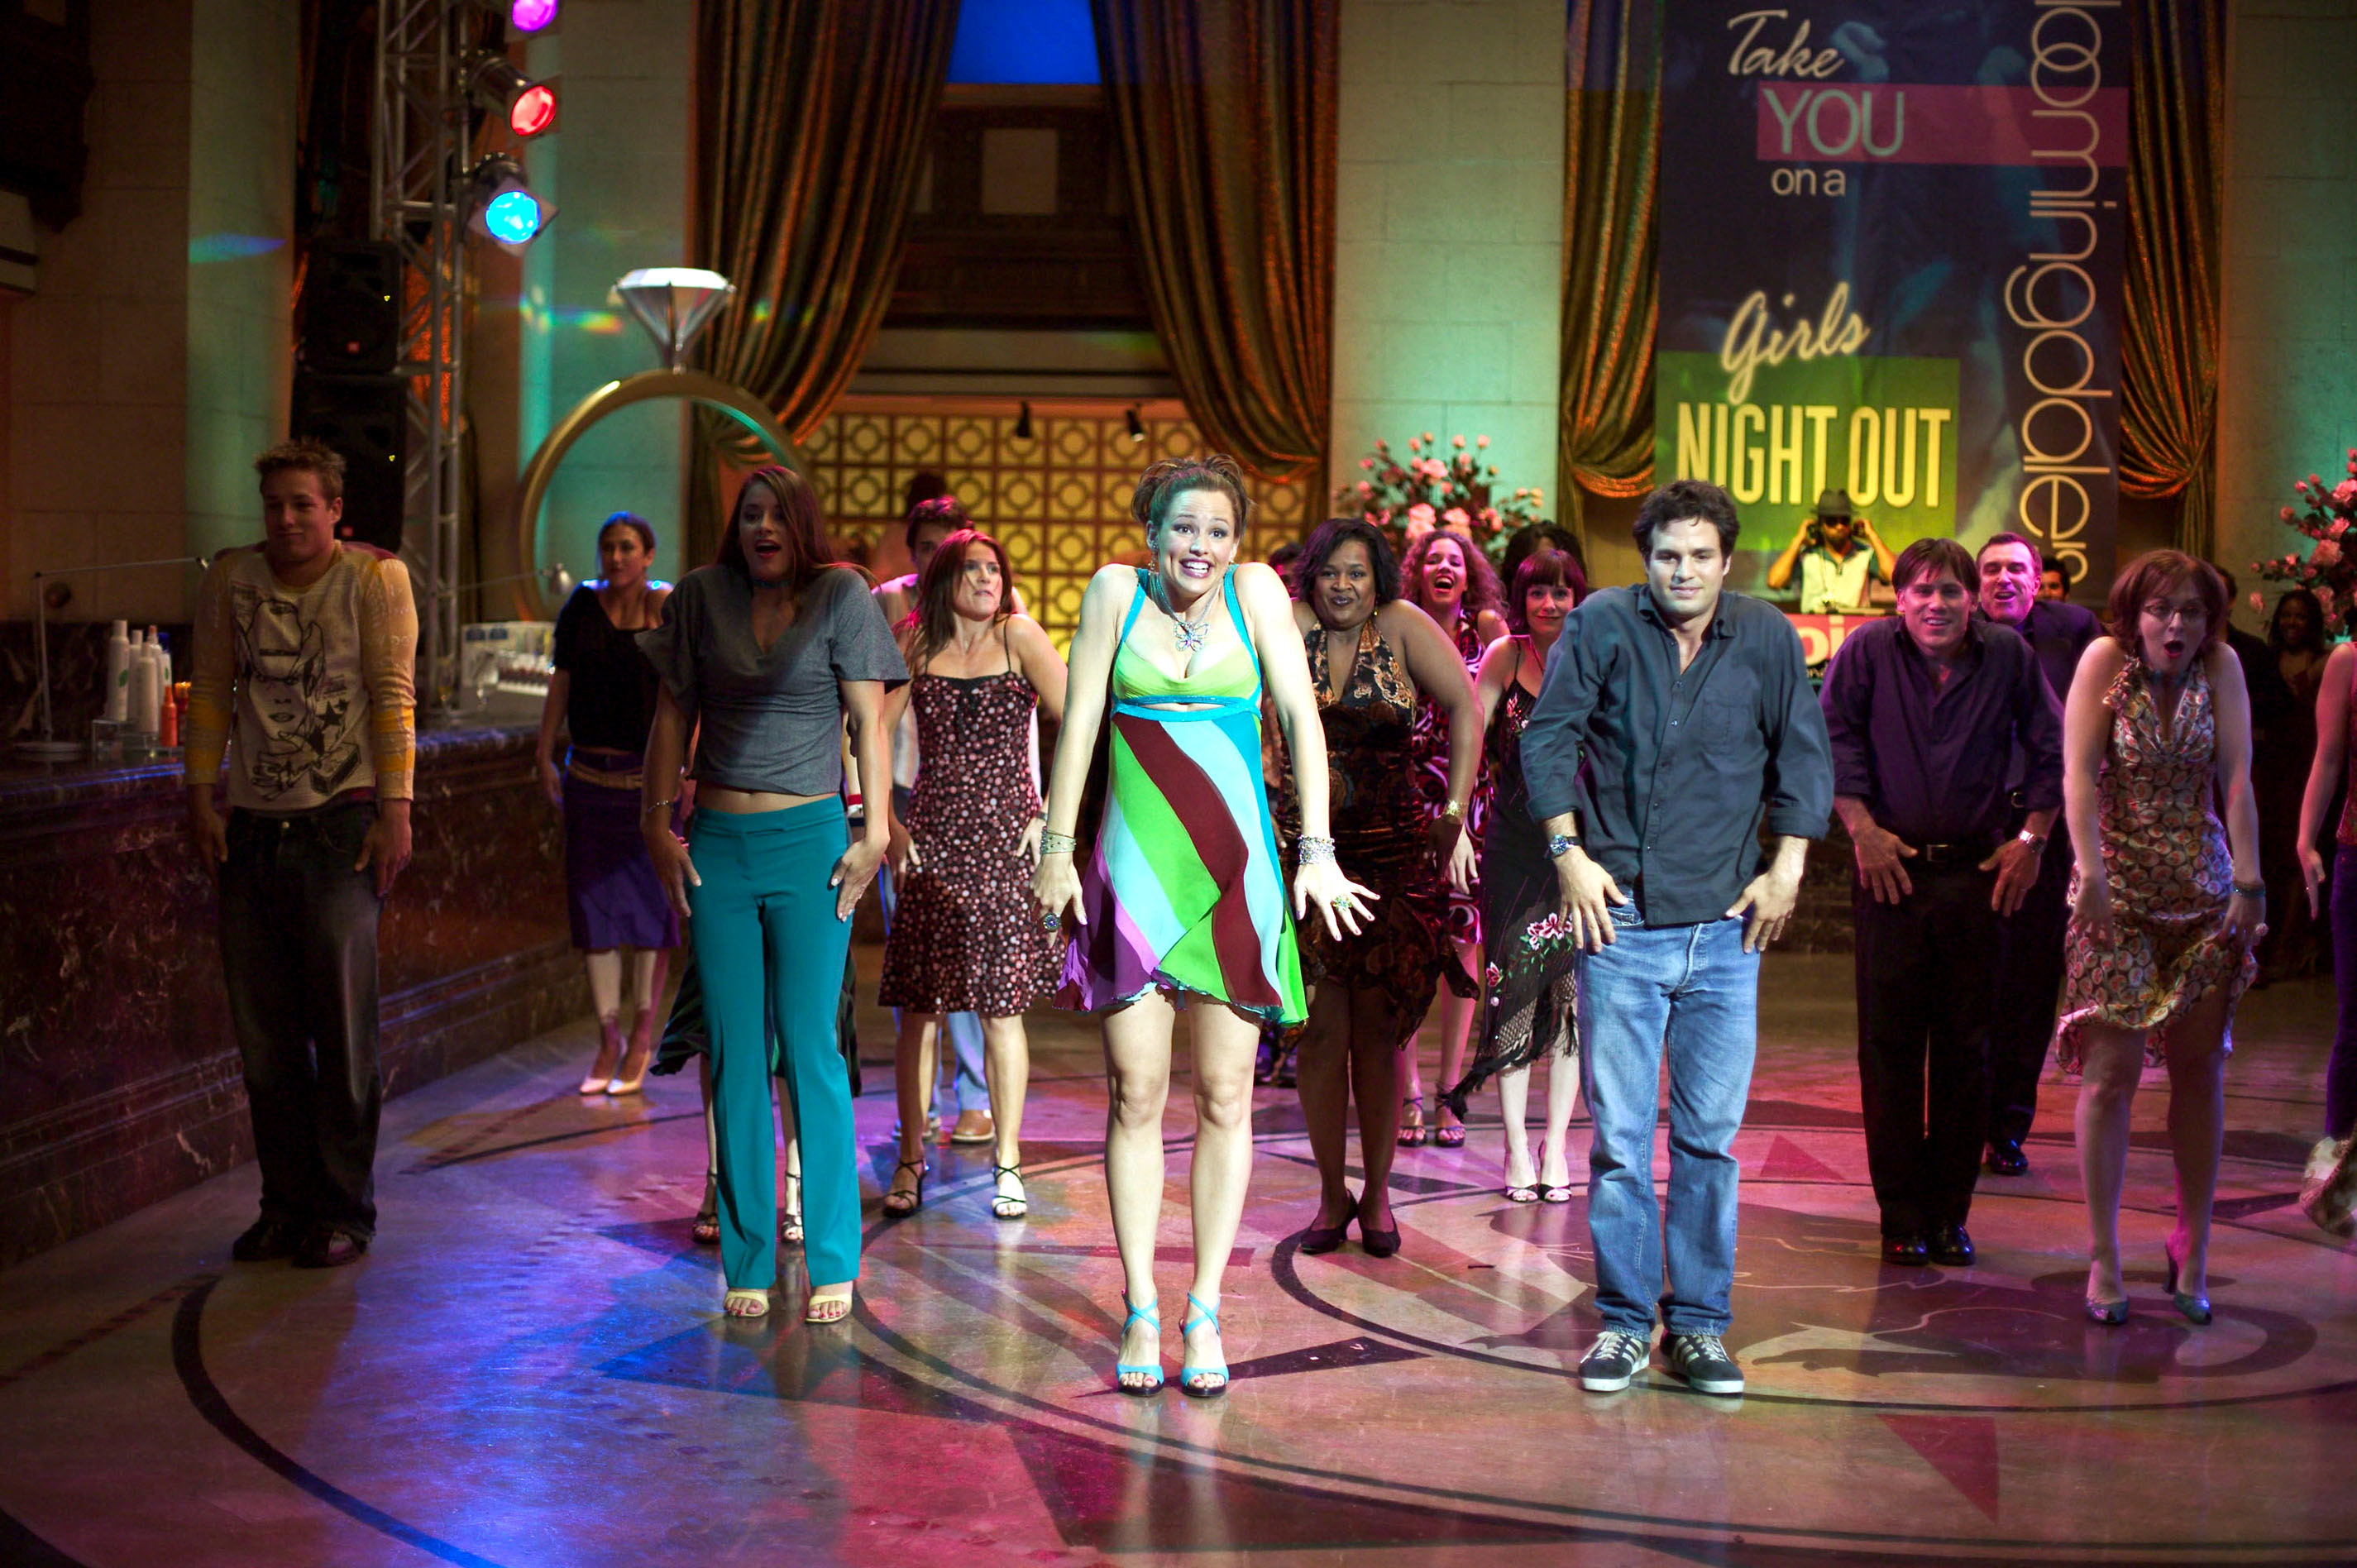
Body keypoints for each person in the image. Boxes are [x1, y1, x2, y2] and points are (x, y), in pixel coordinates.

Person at [1034, 456, 1371, 1398]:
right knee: (1135, 1095)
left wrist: (1316, 852)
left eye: (1218, 531)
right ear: (1153, 532)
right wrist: (1057, 849)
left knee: (1226, 1096)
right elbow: (1080, 726)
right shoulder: (1114, 593)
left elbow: (1302, 722)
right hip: (1137, 866)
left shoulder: (1258, 592)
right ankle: (1142, 1305)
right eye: (1185, 528)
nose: (1202, 546)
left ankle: (1206, 1307)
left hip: (1237, 870)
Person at [1523, 477, 1832, 1397]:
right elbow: (1548, 739)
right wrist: (1568, 854)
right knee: (1621, 1142)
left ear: (1727, 561)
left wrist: (1789, 865)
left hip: (1726, 932)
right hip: (1619, 922)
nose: (1683, 571)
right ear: (1645, 560)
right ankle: (1624, 1323)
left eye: (1700, 556)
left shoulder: (1767, 636)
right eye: (1667, 556)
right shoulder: (1602, 625)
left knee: (1708, 1144)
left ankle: (1697, 1327)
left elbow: (1803, 754)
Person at [637, 465, 906, 1322]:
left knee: (811, 1050)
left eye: (778, 516)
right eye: (751, 515)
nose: (764, 529)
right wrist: (654, 824)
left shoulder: (841, 595)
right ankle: (748, 1256)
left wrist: (874, 831)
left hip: (810, 845)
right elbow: (671, 719)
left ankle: (833, 1259)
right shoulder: (699, 597)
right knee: (733, 1053)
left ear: (802, 526)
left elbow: (868, 721)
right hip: (719, 845)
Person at [185, 438, 417, 1269]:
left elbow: (393, 695)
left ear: (334, 510)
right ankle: (284, 1206)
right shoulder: (232, 579)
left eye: (302, 505)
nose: (285, 519)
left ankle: (344, 1211)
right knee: (266, 1042)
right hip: (254, 827)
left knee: (344, 1035)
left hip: (340, 826)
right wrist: (200, 794)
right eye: (274, 505)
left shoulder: (373, 579)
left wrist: (396, 810)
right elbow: (212, 690)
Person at [1822, 538, 2064, 1268]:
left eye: (1951, 590)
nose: (1937, 604)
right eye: (1922, 591)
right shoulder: (1866, 652)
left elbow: (2054, 748)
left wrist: (2032, 840)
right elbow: (1831, 740)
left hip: (1977, 876)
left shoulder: (2010, 657)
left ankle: (1950, 1214)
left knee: (1969, 1051)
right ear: (1898, 599)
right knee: (1889, 1050)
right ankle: (1900, 1216)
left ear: (1972, 599)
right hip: (1890, 875)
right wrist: (1861, 831)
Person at [2058, 551, 2262, 1327]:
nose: (2175, 624)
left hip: (2204, 892)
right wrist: (2090, 872)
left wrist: (2250, 880)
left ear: (2210, 621)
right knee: (2110, 1076)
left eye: (2192, 611)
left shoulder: (2223, 668)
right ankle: (2104, 1255)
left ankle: (2193, 1244)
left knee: (2199, 1071)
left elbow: (2236, 779)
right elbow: (2078, 775)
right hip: (2117, 894)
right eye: (2160, 609)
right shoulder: (2105, 662)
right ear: (2134, 614)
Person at [1284, 519, 1480, 1256]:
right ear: (1312, 575)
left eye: (1357, 572)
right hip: (1306, 857)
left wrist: (1454, 811)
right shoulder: (1288, 624)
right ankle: (1330, 1193)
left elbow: (1467, 706)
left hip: (1394, 857)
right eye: (1330, 571)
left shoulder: (1401, 626)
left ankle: (1377, 1193)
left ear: (1379, 579)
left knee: (1380, 1032)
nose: (1342, 585)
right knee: (1317, 1033)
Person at [878, 528, 1069, 1222]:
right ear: (942, 580)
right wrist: (884, 823)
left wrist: (1052, 818)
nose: (987, 579)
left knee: (1001, 1010)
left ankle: (1007, 1162)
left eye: (995, 568)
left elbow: (1081, 720)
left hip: (1005, 844)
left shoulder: (1020, 637)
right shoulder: (914, 643)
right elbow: (867, 731)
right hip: (930, 839)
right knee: (919, 1011)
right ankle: (910, 1158)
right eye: (971, 569)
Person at [1442, 547, 1590, 1203]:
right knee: (1512, 991)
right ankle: (1512, 1145)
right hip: (1511, 845)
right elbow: (1471, 735)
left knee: (1570, 1000)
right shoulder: (1505, 657)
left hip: (1579, 852)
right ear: (1521, 601)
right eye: (1537, 593)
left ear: (1578, 598)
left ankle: (1555, 1144)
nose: (1550, 604)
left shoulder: (1595, 657)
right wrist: (1456, 819)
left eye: (1561, 592)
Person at [534, 513, 678, 1097]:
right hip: (589, 779)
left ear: (648, 554)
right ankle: (607, 1039)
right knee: (593, 911)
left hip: (648, 784)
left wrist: (690, 764)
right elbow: (562, 681)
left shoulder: (665, 604)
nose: (616, 557)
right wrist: (543, 749)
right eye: (608, 547)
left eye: (627, 547)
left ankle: (642, 1037)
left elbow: (686, 688)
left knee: (651, 913)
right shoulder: (581, 607)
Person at [1976, 532, 2101, 1176]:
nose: (2004, 579)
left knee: (2028, 987)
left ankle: (2007, 1128)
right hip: (1973, 827)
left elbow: (2102, 722)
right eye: (1991, 569)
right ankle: (1960, 1122)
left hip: (2046, 830)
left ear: (2037, 580)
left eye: (2016, 569)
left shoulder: (2073, 631)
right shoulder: (1956, 631)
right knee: (1969, 985)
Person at [876, 492, 999, 1145]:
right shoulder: (888, 609)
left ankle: (974, 1095)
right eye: (926, 548)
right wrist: (872, 812)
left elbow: (1028, 721)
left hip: (978, 808)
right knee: (916, 965)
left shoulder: (999, 613)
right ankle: (917, 1100)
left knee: (972, 959)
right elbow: (863, 720)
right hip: (903, 797)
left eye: (949, 548)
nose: (938, 560)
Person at [1396, 526, 1506, 1149]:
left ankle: (1450, 1091)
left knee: (1464, 947)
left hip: (1468, 808)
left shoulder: (1483, 633)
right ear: (1417, 571)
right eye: (1433, 559)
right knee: (1408, 948)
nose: (1444, 567)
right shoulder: (1398, 627)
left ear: (1468, 577)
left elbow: (1500, 714)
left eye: (1455, 561)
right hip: (1406, 805)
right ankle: (1408, 1091)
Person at [2295, 637, 2357, 1236]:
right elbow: (2329, 756)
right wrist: (2305, 839)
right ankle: (2341, 1179)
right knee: (2355, 1020)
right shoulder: (2349, 660)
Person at [2259, 588, 2330, 980]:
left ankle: (2293, 948)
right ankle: (2268, 947)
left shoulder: (2326, 661)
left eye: (2300, 616)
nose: (2292, 622)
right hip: (2272, 771)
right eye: (2286, 615)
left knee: (2299, 860)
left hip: (2309, 770)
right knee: (2271, 858)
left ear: (2313, 622)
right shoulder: (2266, 660)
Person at [1765, 489, 1896, 614]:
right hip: (1815, 626)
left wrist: (1872, 536)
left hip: (1854, 625)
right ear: (1820, 525)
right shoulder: (1807, 555)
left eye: (1844, 521)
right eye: (1832, 521)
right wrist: (1798, 541)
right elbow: (1774, 582)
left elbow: (1894, 576)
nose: (1839, 527)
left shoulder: (1864, 554)